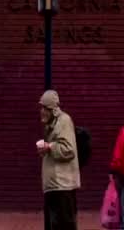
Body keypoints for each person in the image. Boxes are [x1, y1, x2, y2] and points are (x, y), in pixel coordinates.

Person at [37, 90, 80, 230]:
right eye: (41, 107)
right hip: (54, 187)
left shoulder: (63, 121)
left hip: (62, 187)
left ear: (53, 110)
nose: (41, 111)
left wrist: (49, 147)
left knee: (63, 225)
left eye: (45, 108)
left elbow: (69, 149)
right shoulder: (53, 123)